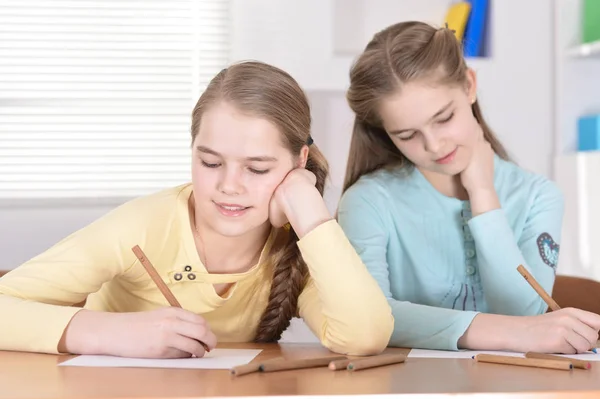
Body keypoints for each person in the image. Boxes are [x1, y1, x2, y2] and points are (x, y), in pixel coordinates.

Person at [0, 61, 393, 358]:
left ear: (298, 161)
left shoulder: (303, 242)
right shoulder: (140, 226)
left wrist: (309, 210)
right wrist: (111, 333)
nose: (229, 186)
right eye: (210, 162)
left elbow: (366, 335)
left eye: (257, 168)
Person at [337, 21, 600, 354]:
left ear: (469, 86)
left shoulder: (538, 196)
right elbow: (368, 318)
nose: (433, 145)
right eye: (407, 135)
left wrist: (483, 195)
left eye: (444, 118)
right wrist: (513, 332)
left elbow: (523, 311)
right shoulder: (368, 202)